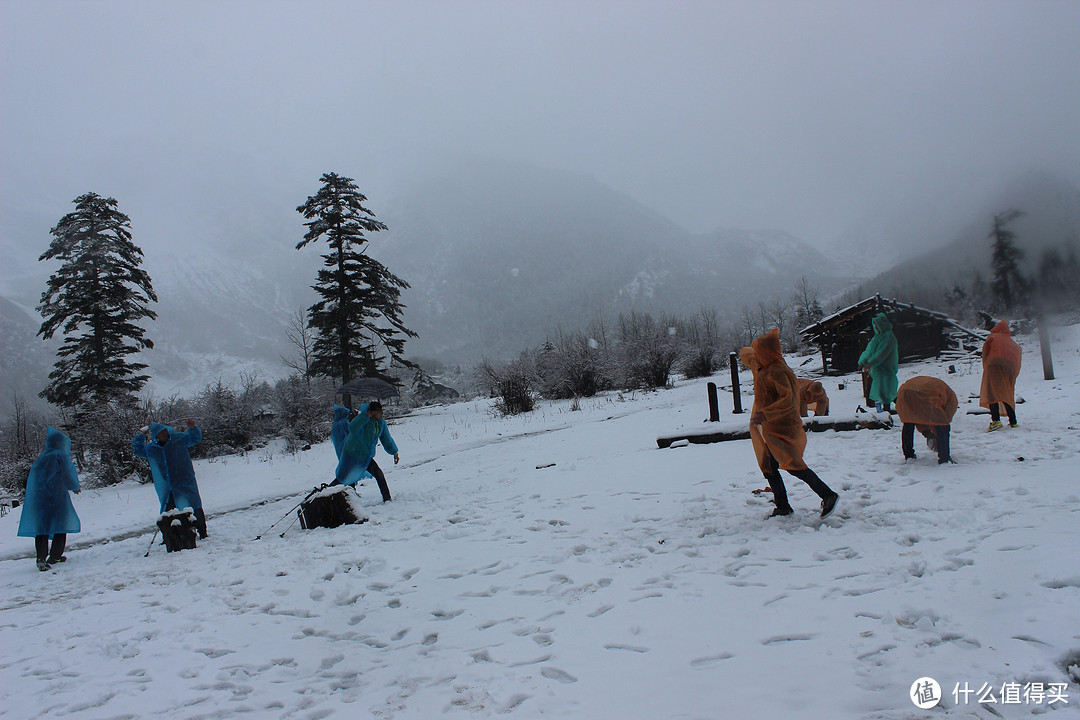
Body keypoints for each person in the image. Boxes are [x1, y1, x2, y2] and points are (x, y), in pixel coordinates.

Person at [741, 329, 839, 519]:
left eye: (760, 351)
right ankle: (783, 506)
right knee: (769, 468)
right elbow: (749, 357)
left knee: (793, 465)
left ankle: (828, 495)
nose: (757, 357)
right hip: (767, 429)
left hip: (783, 428)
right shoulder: (762, 366)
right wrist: (745, 350)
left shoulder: (779, 371)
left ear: (768, 352)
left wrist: (765, 414)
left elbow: (788, 401)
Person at [17, 427, 82, 571]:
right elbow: (68, 473)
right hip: (56, 497)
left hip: (39, 498)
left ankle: (41, 558)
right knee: (60, 525)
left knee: (41, 528)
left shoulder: (43, 456)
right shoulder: (60, 455)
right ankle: (55, 555)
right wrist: (75, 486)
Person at [132, 419, 208, 538]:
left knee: (194, 505)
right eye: (160, 433)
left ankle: (202, 531)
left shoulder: (178, 439)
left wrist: (193, 428)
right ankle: (169, 537)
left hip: (185, 480)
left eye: (165, 431)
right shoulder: (152, 449)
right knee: (167, 511)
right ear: (156, 436)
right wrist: (141, 435)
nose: (164, 434)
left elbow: (195, 438)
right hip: (166, 486)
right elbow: (138, 450)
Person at [335, 401, 399, 502]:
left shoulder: (380, 423)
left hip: (365, 456)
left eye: (381, 411)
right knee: (343, 478)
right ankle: (325, 493)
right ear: (372, 412)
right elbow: (352, 428)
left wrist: (394, 452)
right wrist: (364, 417)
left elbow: (386, 438)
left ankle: (387, 499)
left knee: (378, 474)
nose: (381, 414)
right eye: (379, 412)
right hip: (352, 454)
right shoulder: (363, 420)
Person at [895, 376, 957, 464]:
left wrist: (928, 434)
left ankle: (908, 454)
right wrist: (937, 436)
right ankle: (944, 457)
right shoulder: (951, 400)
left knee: (908, 421)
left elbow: (919, 416)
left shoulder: (943, 390)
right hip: (927, 392)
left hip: (904, 393)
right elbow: (944, 421)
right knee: (942, 424)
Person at [980, 320, 1022, 431]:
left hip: (994, 366)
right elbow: (1018, 352)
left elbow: (985, 352)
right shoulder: (1010, 342)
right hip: (1009, 368)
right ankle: (1013, 422)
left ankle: (996, 421)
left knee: (992, 393)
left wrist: (986, 366)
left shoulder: (993, 337)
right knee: (1006, 393)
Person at [858, 312, 899, 413]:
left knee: (887, 390)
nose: (875, 327)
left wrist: (871, 363)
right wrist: (862, 362)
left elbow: (882, 352)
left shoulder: (889, 337)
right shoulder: (877, 338)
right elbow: (869, 351)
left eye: (877, 325)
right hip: (878, 370)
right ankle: (885, 411)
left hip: (886, 369)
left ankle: (892, 409)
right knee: (881, 391)